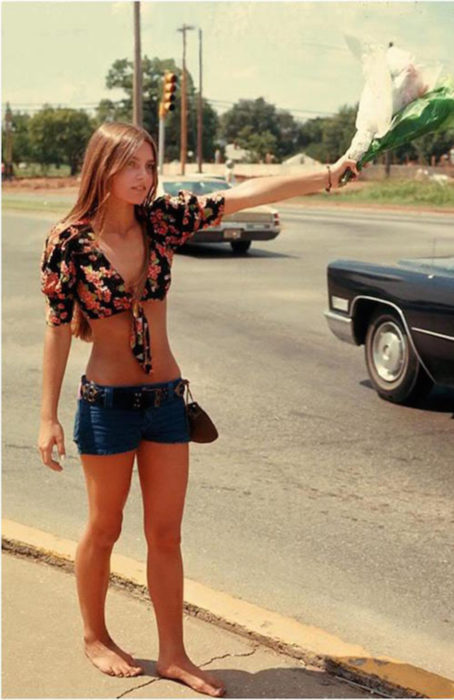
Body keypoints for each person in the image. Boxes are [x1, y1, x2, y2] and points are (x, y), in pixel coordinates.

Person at [37, 121, 358, 698]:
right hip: (106, 404)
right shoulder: (69, 240)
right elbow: (58, 330)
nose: (143, 177)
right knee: (104, 528)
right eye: (130, 165)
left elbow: (245, 195)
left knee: (166, 535)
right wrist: (47, 416)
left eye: (150, 165)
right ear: (102, 169)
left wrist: (327, 175)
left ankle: (174, 654)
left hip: (165, 401)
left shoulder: (162, 219)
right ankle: (94, 635)